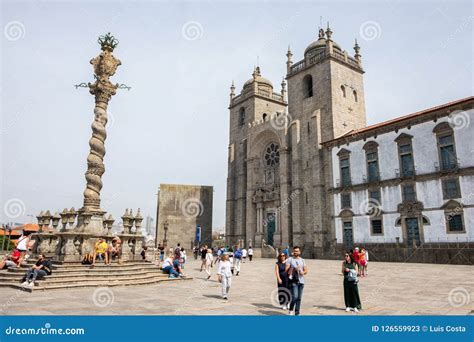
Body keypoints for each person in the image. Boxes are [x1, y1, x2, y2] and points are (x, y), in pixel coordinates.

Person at [285, 246, 308, 316]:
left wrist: (303, 272)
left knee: (299, 298)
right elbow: (286, 270)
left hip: (301, 281)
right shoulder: (290, 259)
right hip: (294, 281)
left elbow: (306, 270)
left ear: (300, 252)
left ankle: (297, 312)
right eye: (295, 251)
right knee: (295, 296)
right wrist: (294, 269)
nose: (296, 252)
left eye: (297, 251)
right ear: (293, 252)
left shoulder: (303, 260)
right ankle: (291, 309)